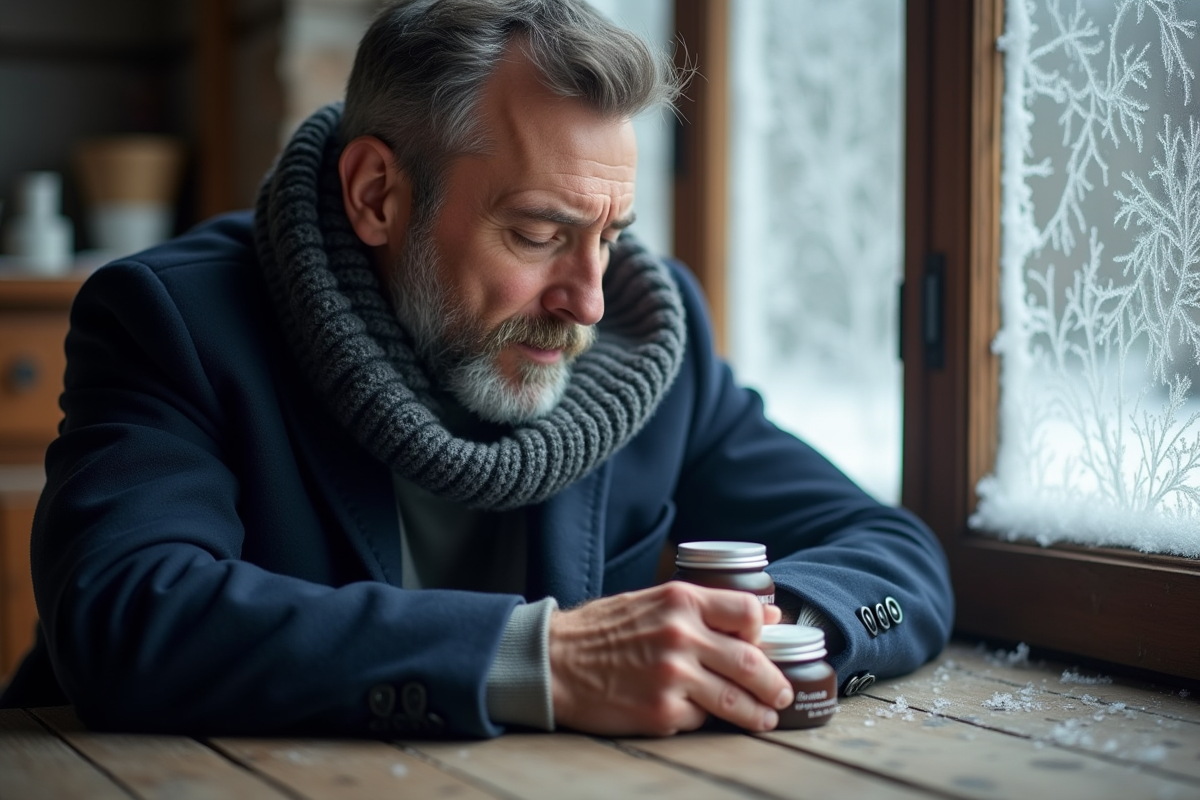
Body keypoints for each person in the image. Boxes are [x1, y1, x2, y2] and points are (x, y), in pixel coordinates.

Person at [0, 0, 953, 738]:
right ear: (377, 195)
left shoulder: (649, 343)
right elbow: (126, 615)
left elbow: (894, 557)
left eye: (611, 237)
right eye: (538, 234)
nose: (588, 300)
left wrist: (768, 638)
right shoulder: (176, 321)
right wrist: (543, 659)